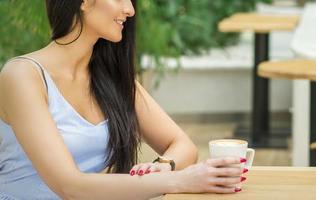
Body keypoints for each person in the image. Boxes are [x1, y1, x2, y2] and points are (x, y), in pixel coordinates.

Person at [0, 0, 246, 199]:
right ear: (83, 2)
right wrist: (181, 180)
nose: (130, 10)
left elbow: (183, 145)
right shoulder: (22, 76)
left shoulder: (112, 79)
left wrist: (164, 166)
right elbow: (69, 186)